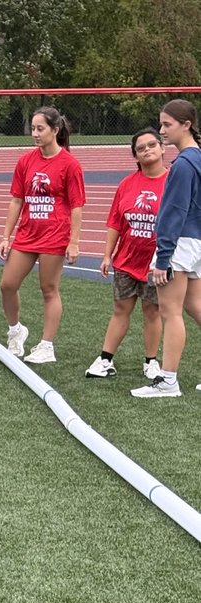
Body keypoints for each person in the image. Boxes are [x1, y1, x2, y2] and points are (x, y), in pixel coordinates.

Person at [0, 106, 85, 363]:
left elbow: (77, 206)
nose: (35, 134)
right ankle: (16, 330)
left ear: (55, 130)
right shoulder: (26, 161)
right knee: (7, 285)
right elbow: (16, 201)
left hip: (54, 235)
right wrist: (6, 236)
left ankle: (46, 345)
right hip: (27, 234)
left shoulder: (70, 164)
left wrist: (74, 243)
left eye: (40, 129)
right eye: (33, 129)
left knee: (49, 288)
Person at [130, 100, 201, 399]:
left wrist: (163, 257)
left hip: (181, 243)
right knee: (194, 306)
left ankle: (168, 380)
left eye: (167, 124)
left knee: (170, 312)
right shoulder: (197, 158)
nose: (162, 131)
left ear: (186, 124)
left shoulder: (184, 164)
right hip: (196, 243)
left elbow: (173, 211)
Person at [85, 129, 167, 381]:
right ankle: (106, 359)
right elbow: (115, 222)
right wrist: (107, 255)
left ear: (163, 148)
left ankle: (151, 362)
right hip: (127, 261)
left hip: (156, 264)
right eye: (141, 148)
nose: (147, 150)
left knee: (152, 311)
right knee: (121, 309)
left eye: (152, 144)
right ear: (135, 155)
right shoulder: (127, 184)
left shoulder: (173, 182)